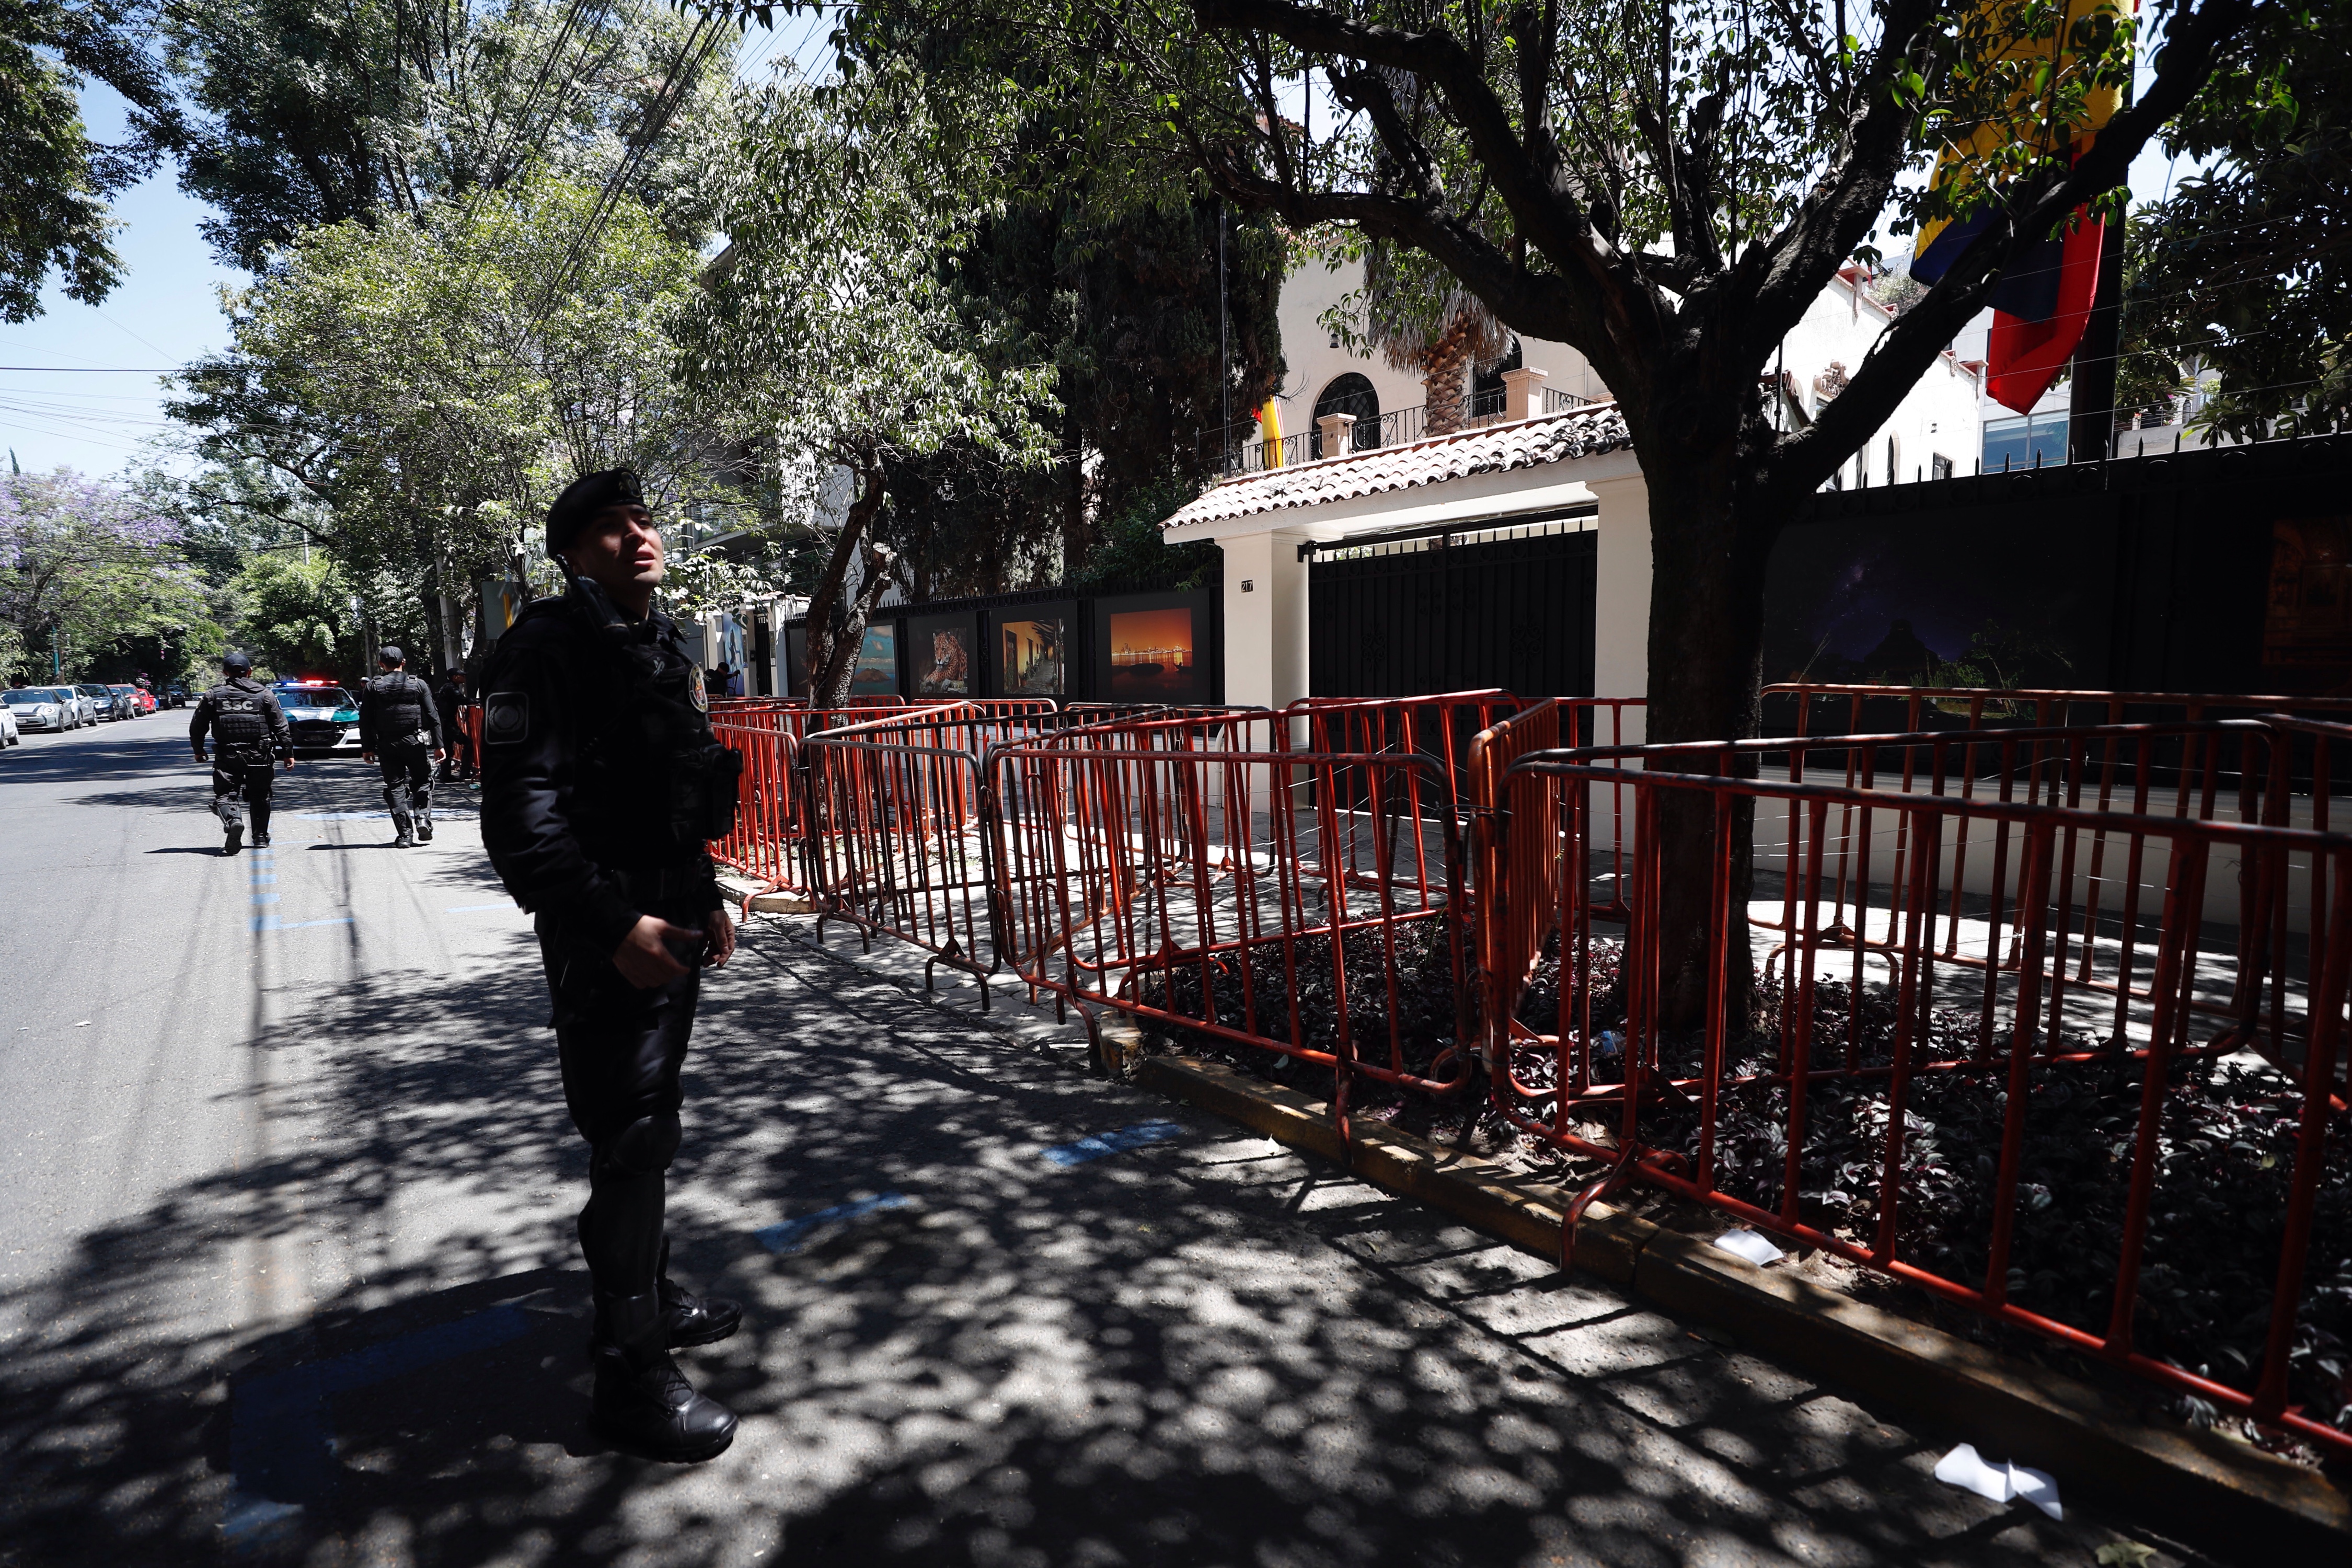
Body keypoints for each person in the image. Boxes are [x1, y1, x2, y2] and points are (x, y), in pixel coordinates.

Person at [479, 467, 746, 1462]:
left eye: (644, 522)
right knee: (630, 1134)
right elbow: (518, 820)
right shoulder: (547, 648)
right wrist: (611, 925)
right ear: (572, 551)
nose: (638, 538)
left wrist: (704, 892)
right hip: (608, 929)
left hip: (668, 906)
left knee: (651, 1122)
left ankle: (654, 1293)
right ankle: (628, 1377)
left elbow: (675, 782)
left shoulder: (658, 640)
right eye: (609, 530)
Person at [189, 649, 293, 855]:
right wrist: (288, 752)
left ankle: (234, 820)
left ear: (225, 672)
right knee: (261, 795)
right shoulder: (264, 694)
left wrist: (198, 750)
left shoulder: (213, 695)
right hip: (260, 755)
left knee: (226, 794)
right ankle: (261, 838)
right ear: (250, 672)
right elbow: (281, 725)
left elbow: (197, 726)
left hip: (228, 755)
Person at [359, 646, 445, 848]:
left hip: (387, 745)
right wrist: (439, 745)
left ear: (381, 664)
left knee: (395, 787)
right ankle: (422, 818)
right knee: (422, 782)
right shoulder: (418, 684)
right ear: (403, 662)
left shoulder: (373, 686)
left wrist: (367, 748)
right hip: (415, 742)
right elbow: (433, 717)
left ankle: (405, 835)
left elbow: (365, 720)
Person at [435, 668, 474, 783]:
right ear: (455, 677)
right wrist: (478, 701)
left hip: (444, 722)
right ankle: (465, 773)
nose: (464, 678)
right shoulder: (451, 688)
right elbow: (461, 700)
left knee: (447, 748)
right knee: (467, 743)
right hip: (448, 723)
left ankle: (445, 775)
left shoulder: (447, 687)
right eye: (462, 675)